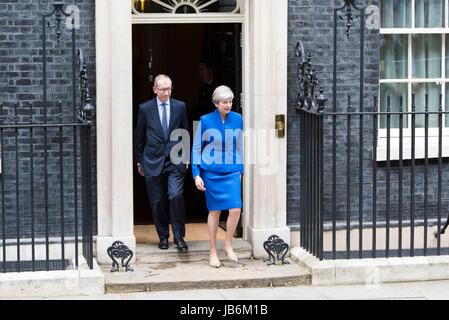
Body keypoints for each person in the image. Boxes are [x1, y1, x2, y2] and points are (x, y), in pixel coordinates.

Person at [135, 74, 190, 252]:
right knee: (157, 201)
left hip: (175, 159)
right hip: (152, 160)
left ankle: (179, 237)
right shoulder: (145, 108)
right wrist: (139, 160)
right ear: (155, 89)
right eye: (163, 89)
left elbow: (184, 131)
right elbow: (140, 136)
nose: (167, 92)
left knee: (175, 196)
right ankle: (163, 237)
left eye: (169, 89)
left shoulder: (180, 106)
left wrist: (186, 156)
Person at [192, 85, 244, 268]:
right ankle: (213, 251)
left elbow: (240, 146)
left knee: (236, 209)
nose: (228, 105)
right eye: (224, 102)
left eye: (230, 102)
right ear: (216, 103)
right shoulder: (205, 121)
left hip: (231, 171)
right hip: (211, 172)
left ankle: (228, 244)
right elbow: (197, 148)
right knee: (215, 211)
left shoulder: (238, 119)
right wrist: (196, 175)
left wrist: (241, 170)